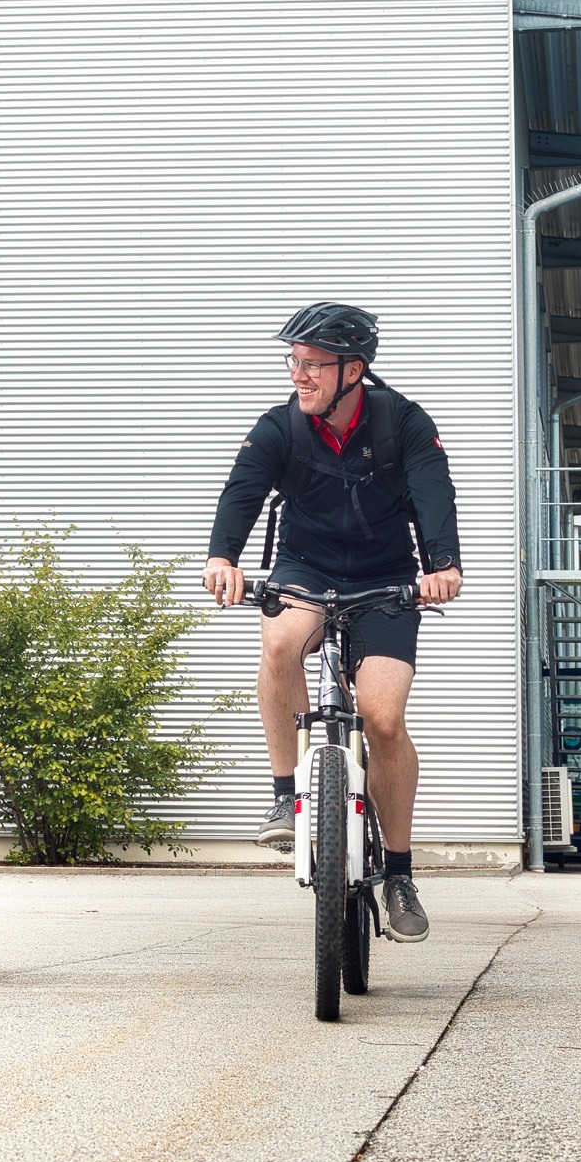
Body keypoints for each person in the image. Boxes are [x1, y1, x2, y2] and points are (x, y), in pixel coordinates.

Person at [202, 303, 462, 942]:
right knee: (280, 641)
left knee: (384, 717)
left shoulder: (403, 422)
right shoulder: (279, 428)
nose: (299, 375)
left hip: (386, 578)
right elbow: (242, 491)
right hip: (306, 568)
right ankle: (288, 796)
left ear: (355, 370)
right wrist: (222, 558)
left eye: (313, 363)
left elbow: (434, 493)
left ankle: (398, 873)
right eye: (294, 361)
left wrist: (443, 566)